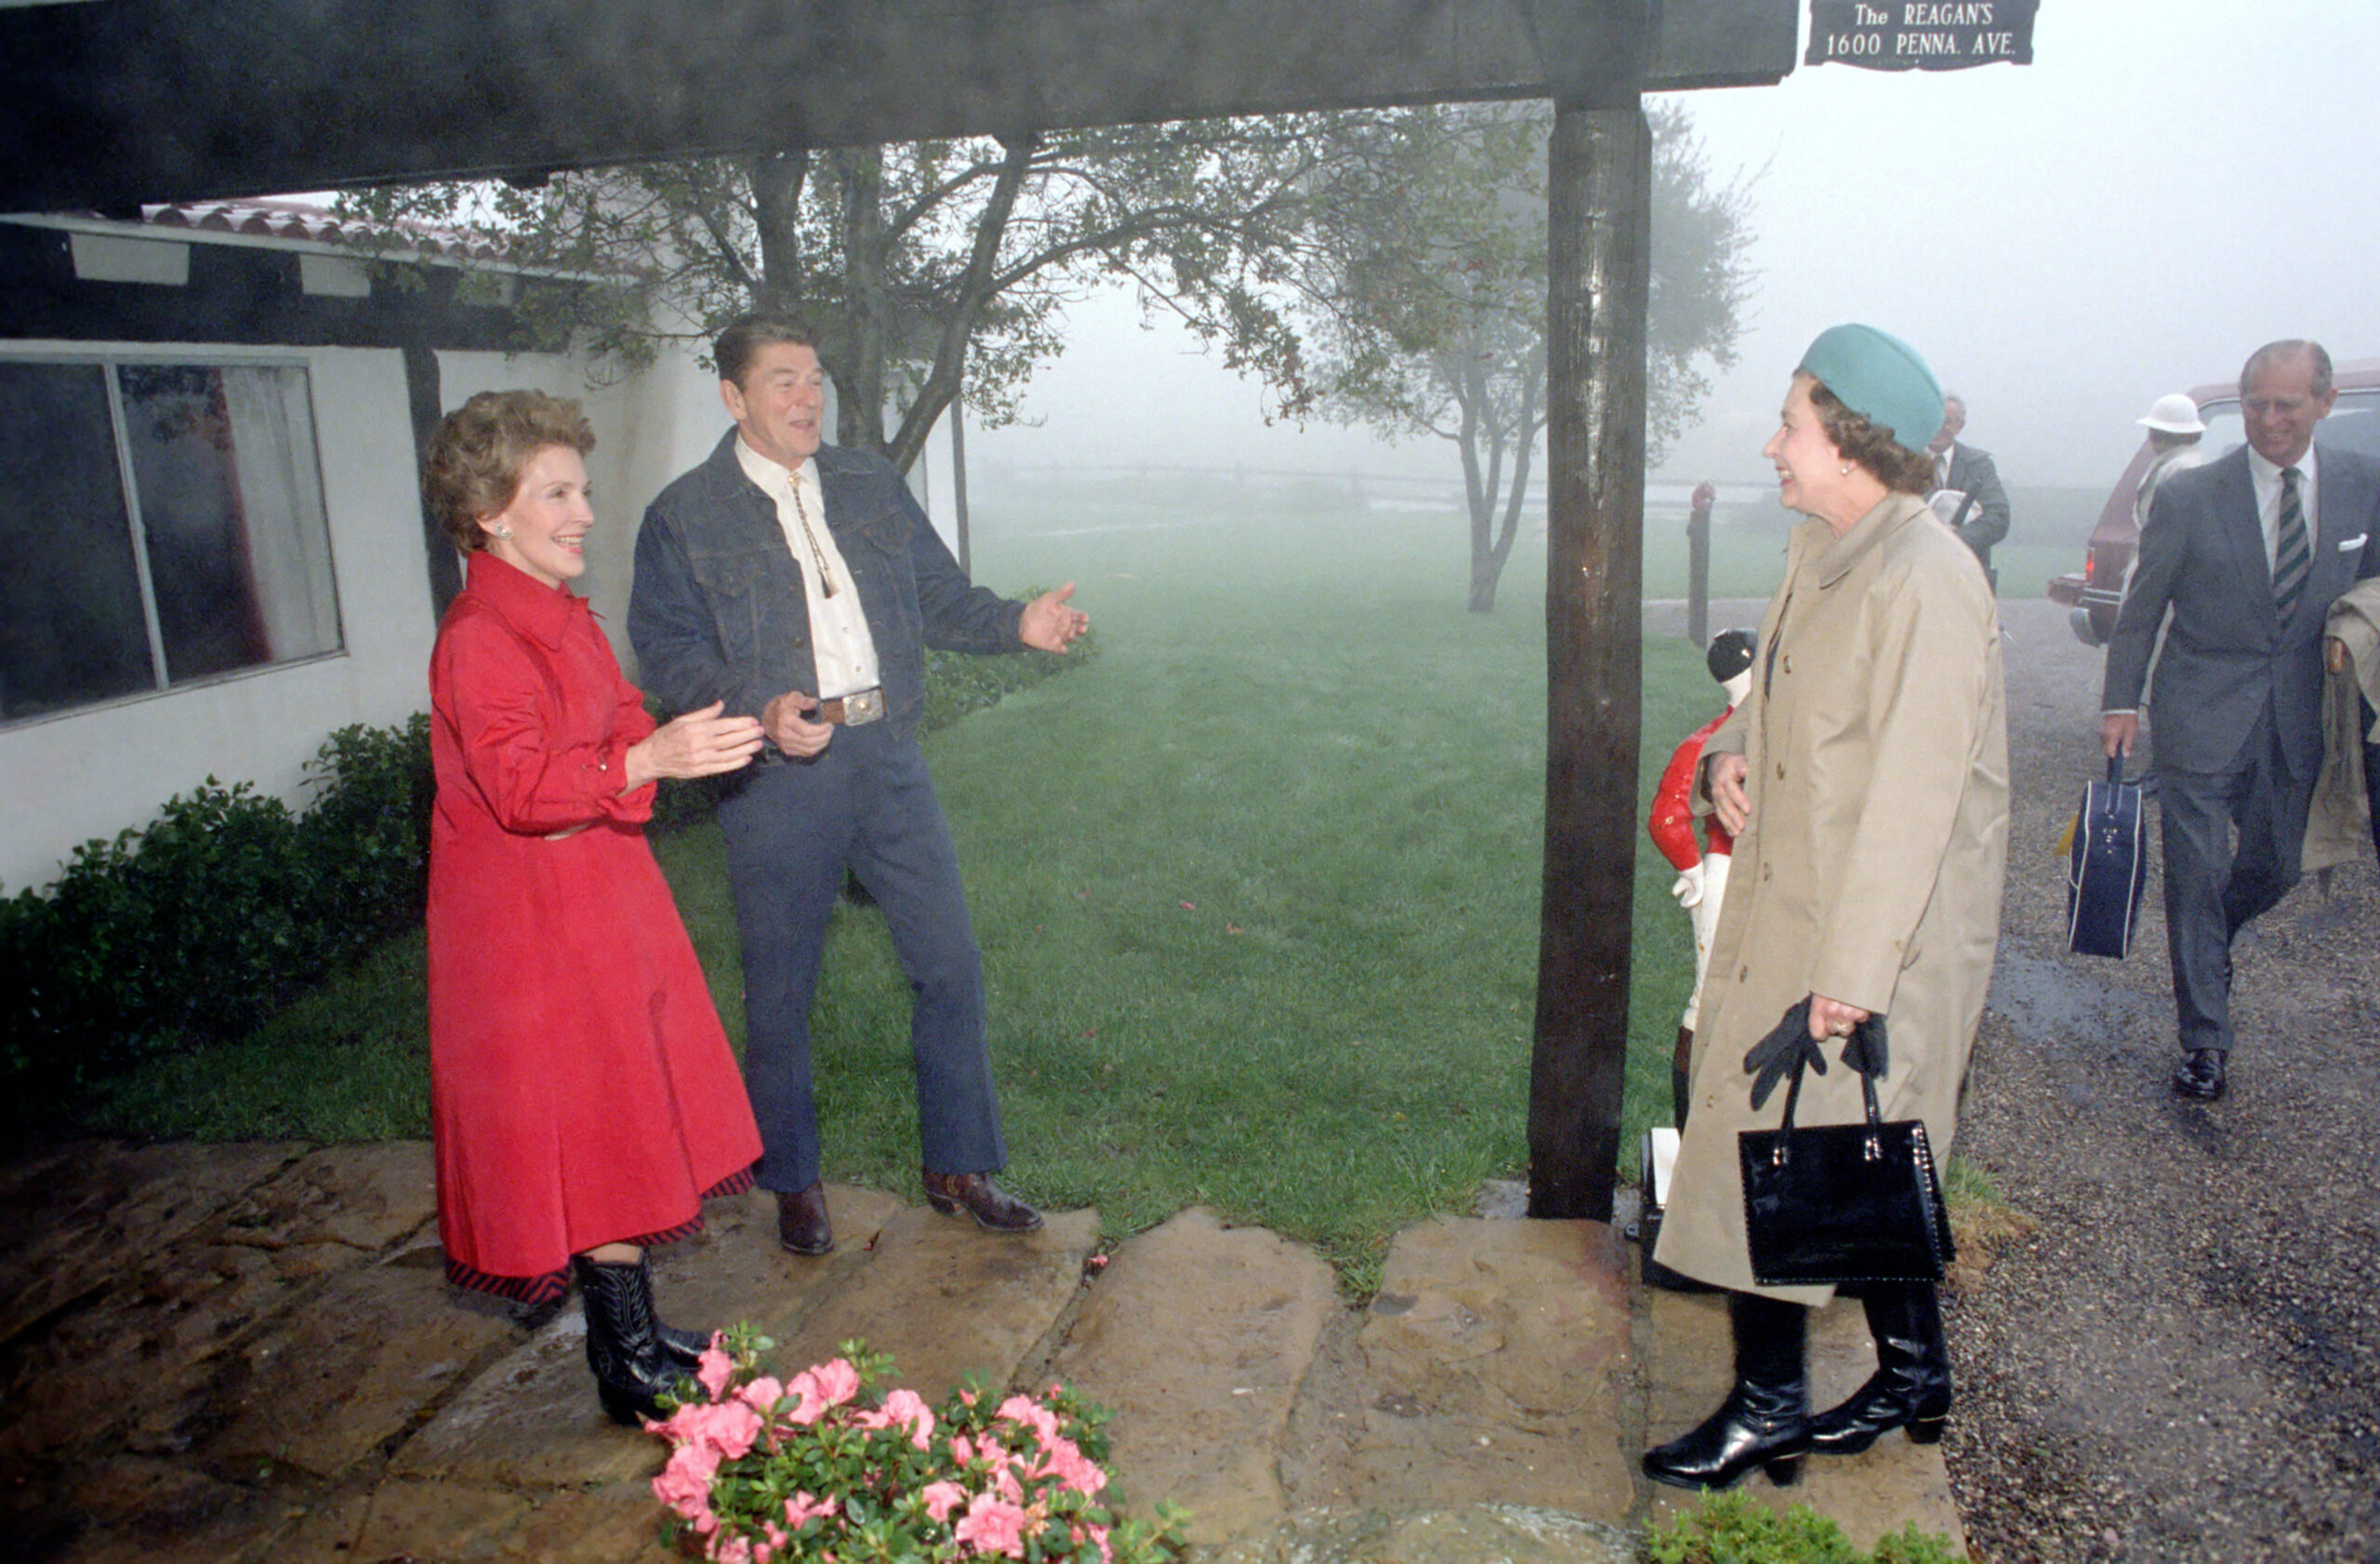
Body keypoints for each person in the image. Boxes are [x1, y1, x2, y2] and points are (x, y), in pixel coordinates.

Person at [628, 312, 1091, 1260]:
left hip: (886, 758)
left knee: (949, 962)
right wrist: (756, 704)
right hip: (775, 774)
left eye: (813, 377)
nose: (806, 397)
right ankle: (793, 1180)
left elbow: (938, 596)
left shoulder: (869, 483)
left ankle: (958, 1164)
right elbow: (668, 650)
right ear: (734, 397)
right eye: (782, 380)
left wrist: (1018, 625)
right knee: (781, 990)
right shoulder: (684, 514)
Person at [1643, 325, 2009, 1491]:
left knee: (1783, 1139)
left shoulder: (1929, 580)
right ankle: (1913, 1372)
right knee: (1856, 1147)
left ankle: (1767, 1405)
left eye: (1790, 425)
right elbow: (1781, 689)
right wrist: (1732, 754)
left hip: (1877, 922)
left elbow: (1915, 794)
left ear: (1850, 442)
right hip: (1802, 886)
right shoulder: (1821, 545)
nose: (1772, 445)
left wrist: (1849, 974)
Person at [423, 391, 767, 1425]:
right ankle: (623, 1363)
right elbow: (523, 788)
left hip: (596, 897)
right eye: (557, 492)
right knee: (583, 1123)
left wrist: (664, 741)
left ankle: (634, 1331)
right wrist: (646, 757)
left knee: (614, 1116)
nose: (583, 512)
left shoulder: (560, 615)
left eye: (582, 488)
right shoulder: (481, 637)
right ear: (491, 510)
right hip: (531, 929)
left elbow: (616, 723)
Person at [2100, 340, 2380, 1102]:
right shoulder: (2193, 494)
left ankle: (2210, 938)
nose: (2269, 419)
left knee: (2281, 863)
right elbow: (2142, 606)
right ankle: (2205, 1040)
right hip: (2199, 709)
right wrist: (2121, 703)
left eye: (2287, 404)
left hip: (2300, 715)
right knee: (2194, 874)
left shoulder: (2361, 483)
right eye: (2256, 403)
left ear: (2323, 404)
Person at [1645, 627, 1756, 1127]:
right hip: (1731, 868)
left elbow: (1668, 816)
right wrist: (1694, 870)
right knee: (1712, 996)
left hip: (1734, 869)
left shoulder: (1714, 738)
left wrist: (1692, 869)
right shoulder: (1722, 740)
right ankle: (1697, 1124)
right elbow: (1666, 816)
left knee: (1722, 996)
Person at [1925, 393, 2011, 588]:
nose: (1939, 427)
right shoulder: (1904, 462)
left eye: (1946, 421)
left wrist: (1955, 540)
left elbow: (1999, 517)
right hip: (1915, 576)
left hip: (1967, 579)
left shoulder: (1979, 465)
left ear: (1960, 426)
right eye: (1934, 419)